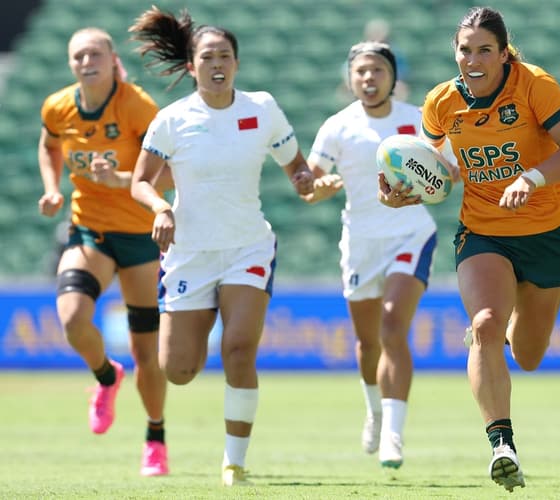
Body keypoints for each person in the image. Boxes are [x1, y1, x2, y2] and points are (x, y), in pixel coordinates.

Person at [378, 6, 560, 492]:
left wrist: (530, 178)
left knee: (531, 354)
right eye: (464, 49)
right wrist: (401, 190)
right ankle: (502, 446)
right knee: (485, 326)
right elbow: (439, 170)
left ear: (502, 52)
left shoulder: (535, 84)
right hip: (484, 231)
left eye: (484, 50)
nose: (472, 59)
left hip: (547, 233)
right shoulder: (441, 102)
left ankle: (506, 333)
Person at [128, 6, 314, 487]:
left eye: (225, 55)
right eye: (208, 56)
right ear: (192, 66)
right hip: (190, 253)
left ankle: (234, 461)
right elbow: (140, 182)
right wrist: (161, 209)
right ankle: (197, 316)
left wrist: (310, 180)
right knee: (179, 370)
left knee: (237, 348)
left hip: (247, 247)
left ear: (236, 63)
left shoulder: (262, 108)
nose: (217, 63)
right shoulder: (172, 120)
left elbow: (296, 168)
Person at [37, 27, 170, 477]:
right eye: (78, 55)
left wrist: (122, 181)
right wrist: (53, 189)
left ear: (113, 59)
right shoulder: (58, 106)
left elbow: (168, 170)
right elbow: (49, 144)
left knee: (147, 353)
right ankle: (106, 376)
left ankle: (155, 437)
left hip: (139, 236)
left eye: (95, 53)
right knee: (73, 318)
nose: (86, 61)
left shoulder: (136, 106)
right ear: (70, 63)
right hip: (90, 229)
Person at [304, 41, 441, 470]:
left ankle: (393, 436)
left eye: (378, 70)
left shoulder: (417, 120)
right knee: (367, 344)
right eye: (361, 71)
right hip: (361, 242)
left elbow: (445, 175)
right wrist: (318, 188)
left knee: (391, 326)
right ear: (351, 78)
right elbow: (309, 182)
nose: (369, 78)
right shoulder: (338, 127)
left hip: (411, 235)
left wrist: (432, 182)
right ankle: (376, 412)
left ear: (393, 77)